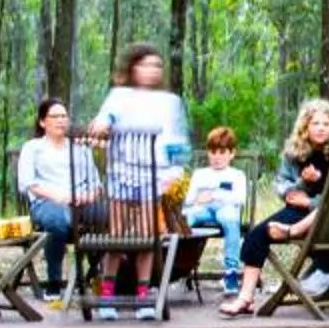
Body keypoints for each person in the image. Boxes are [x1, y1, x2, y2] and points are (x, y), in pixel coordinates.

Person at [222, 97, 329, 316]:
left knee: (292, 224)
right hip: (296, 211)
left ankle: (306, 250)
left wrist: (311, 201)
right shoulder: (294, 153)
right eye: (315, 123)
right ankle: (245, 298)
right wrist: (302, 182)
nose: (321, 128)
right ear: (305, 126)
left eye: (326, 124)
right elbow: (282, 185)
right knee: (256, 235)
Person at [16, 99, 100, 303]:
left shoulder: (80, 148)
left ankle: (100, 276)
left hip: (81, 202)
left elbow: (96, 184)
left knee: (109, 214)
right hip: (47, 202)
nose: (61, 120)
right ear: (42, 122)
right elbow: (27, 183)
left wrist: (87, 197)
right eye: (55, 116)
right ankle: (54, 283)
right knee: (56, 220)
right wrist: (58, 197)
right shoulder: (33, 148)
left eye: (64, 116)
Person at [83, 42, 192, 173]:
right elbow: (104, 119)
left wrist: (176, 172)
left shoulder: (172, 102)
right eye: (145, 66)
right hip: (124, 171)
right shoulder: (119, 96)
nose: (152, 70)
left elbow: (178, 141)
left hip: (162, 172)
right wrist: (102, 126)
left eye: (157, 66)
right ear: (133, 68)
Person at [184, 126, 252, 296]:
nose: (217, 157)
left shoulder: (236, 175)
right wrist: (198, 199)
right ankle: (180, 264)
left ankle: (231, 272)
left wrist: (214, 195)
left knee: (230, 218)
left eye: (222, 152)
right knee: (187, 217)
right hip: (204, 210)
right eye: (213, 152)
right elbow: (189, 199)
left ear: (232, 153)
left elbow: (239, 199)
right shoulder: (200, 174)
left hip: (226, 210)